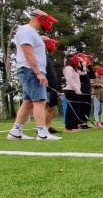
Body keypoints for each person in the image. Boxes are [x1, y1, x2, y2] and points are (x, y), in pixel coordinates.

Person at [7, 9, 62, 141]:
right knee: (40, 101)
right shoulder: (26, 30)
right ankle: (42, 132)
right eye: (47, 20)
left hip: (32, 70)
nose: (49, 23)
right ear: (39, 18)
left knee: (28, 102)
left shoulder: (32, 32)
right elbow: (28, 53)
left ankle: (15, 131)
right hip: (30, 70)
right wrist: (38, 73)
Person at [41, 36, 62, 134]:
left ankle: (48, 127)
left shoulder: (46, 55)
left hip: (53, 84)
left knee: (51, 107)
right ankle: (42, 128)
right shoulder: (40, 55)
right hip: (47, 84)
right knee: (46, 106)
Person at [62, 53, 83, 132]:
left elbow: (82, 71)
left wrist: (82, 63)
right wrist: (76, 89)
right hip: (71, 91)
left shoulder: (74, 69)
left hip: (75, 91)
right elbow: (69, 79)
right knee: (71, 109)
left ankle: (74, 126)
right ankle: (69, 127)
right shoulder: (69, 68)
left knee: (76, 109)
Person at [77, 53, 95, 129]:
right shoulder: (79, 68)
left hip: (88, 90)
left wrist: (89, 66)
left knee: (88, 106)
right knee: (82, 107)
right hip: (82, 90)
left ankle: (85, 122)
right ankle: (80, 123)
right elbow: (82, 75)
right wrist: (83, 65)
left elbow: (93, 76)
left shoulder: (86, 68)